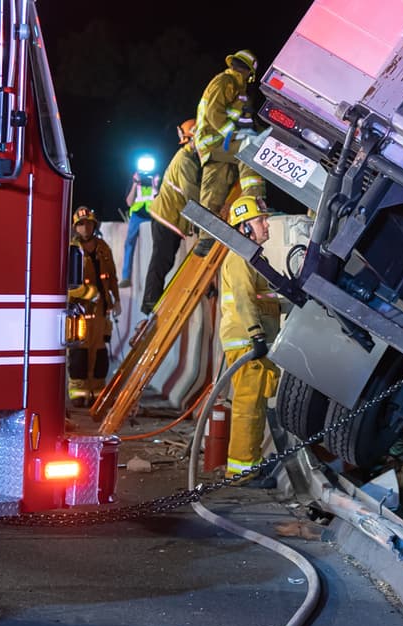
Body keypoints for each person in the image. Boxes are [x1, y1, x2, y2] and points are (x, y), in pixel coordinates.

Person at [219, 196, 282, 485]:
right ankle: (241, 473)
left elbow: (263, 298)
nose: (266, 224)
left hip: (254, 342)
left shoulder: (254, 258)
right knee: (248, 407)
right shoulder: (240, 258)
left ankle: (251, 465)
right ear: (244, 227)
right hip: (247, 342)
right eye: (260, 220)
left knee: (255, 406)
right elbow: (244, 300)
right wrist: (256, 333)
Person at [193, 49, 266, 256]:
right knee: (250, 152)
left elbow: (247, 122)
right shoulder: (226, 82)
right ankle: (255, 204)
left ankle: (205, 240)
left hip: (218, 146)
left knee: (214, 192)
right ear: (250, 73)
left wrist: (265, 133)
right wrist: (233, 135)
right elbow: (213, 112)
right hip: (217, 142)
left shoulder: (238, 90)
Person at [140, 119, 200, 315]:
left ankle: (151, 300)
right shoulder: (185, 160)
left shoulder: (188, 158)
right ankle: (150, 302)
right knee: (161, 260)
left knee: (164, 260)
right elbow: (192, 193)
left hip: (167, 216)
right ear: (193, 137)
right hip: (166, 217)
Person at [67, 206, 120, 408]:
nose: (85, 227)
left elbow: (112, 276)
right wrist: (90, 294)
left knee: (99, 355)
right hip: (79, 311)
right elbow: (66, 286)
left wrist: (116, 300)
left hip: (100, 312)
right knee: (79, 354)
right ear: (75, 227)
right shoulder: (72, 250)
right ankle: (78, 392)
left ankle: (97, 391)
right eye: (81, 224)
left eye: (88, 223)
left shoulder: (103, 248)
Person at [120, 156, 160, 288]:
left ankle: (155, 277)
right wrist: (135, 183)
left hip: (153, 215)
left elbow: (160, 200)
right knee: (129, 243)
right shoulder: (133, 181)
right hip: (137, 216)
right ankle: (126, 277)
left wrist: (155, 185)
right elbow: (129, 202)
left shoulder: (155, 180)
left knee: (158, 243)